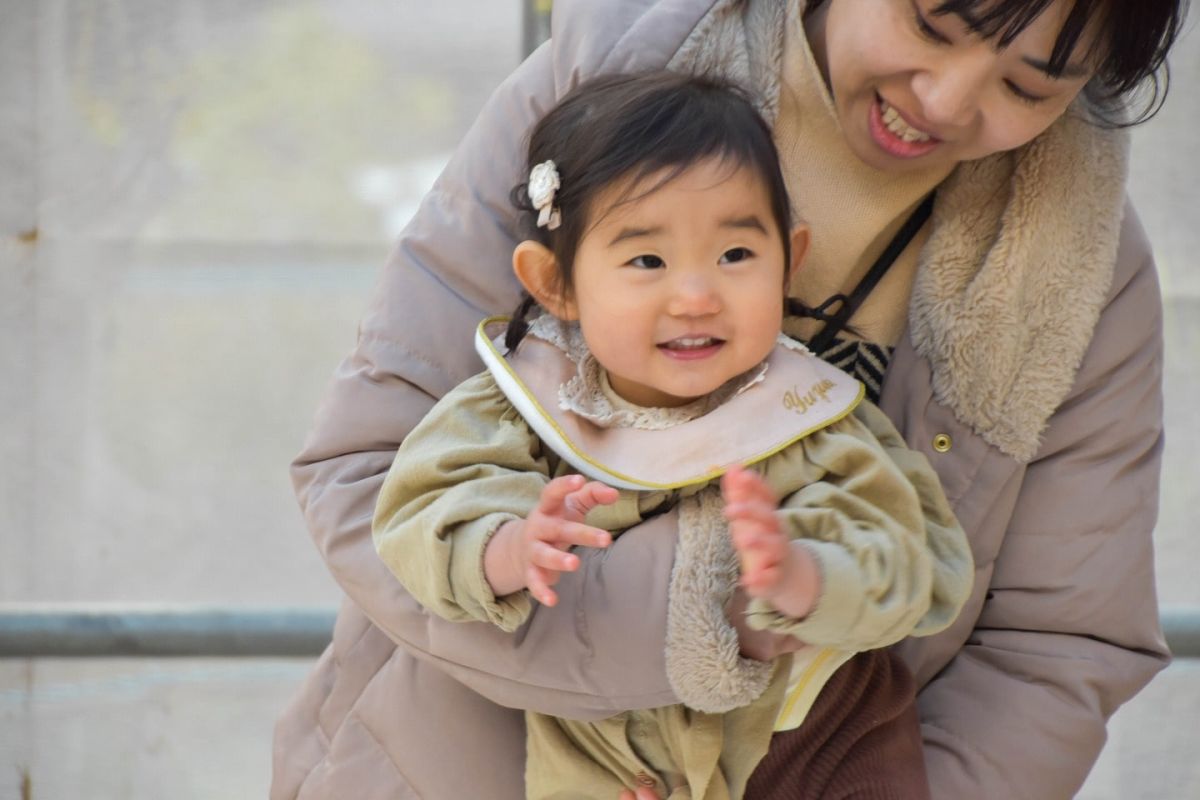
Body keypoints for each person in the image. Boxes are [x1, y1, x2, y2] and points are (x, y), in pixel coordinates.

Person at [272, 1, 1187, 798]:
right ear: (550, 283)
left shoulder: (1078, 264)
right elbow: (369, 478)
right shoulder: (614, 78)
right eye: (930, 23)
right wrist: (709, 624)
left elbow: (1055, 648)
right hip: (454, 761)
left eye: (1029, 87)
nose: (945, 99)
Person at [369, 72, 973, 799]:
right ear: (554, 283)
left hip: (814, 731)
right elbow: (421, 512)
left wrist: (808, 574)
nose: (696, 296)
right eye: (647, 260)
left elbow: (915, 558)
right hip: (609, 756)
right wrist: (506, 546)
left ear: (791, 260)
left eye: (736, 256)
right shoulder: (521, 409)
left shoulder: (808, 414)